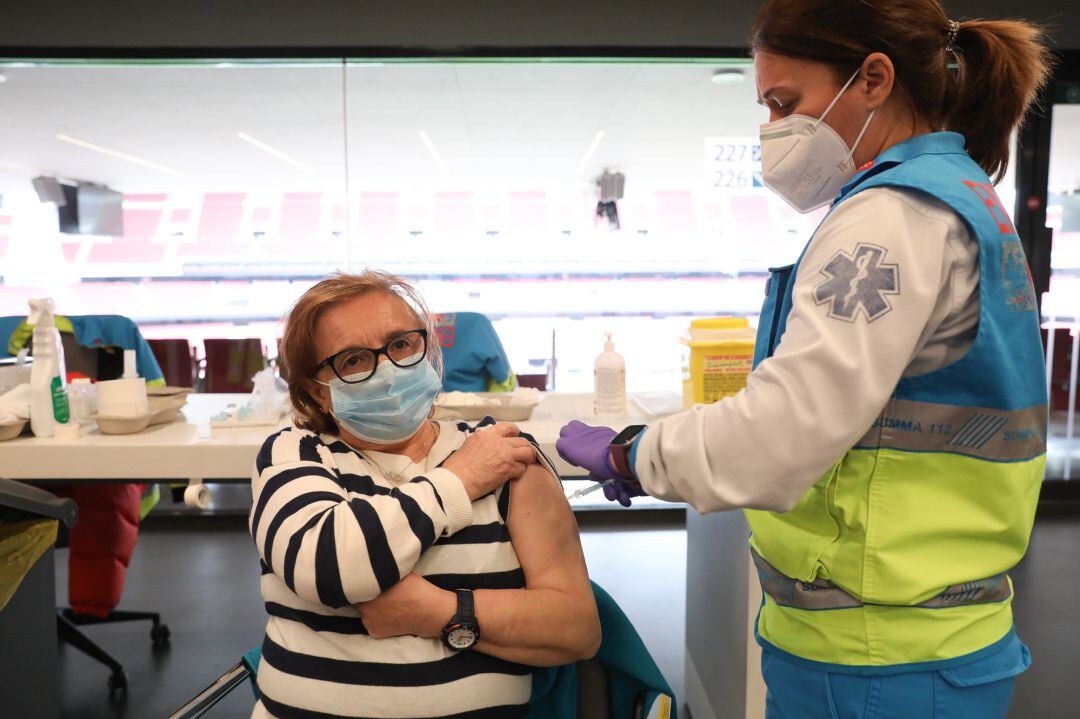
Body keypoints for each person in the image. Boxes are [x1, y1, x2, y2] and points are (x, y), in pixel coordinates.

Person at [556, 2, 1052, 717]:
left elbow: (779, 435)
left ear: (873, 79)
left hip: (878, 658)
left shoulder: (892, 217)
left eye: (784, 103)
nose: (771, 131)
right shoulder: (963, 195)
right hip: (921, 637)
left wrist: (634, 452)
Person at [252, 271, 599, 719]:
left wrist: (441, 611)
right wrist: (461, 480)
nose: (387, 369)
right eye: (354, 360)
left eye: (401, 345)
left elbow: (577, 630)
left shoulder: (503, 454)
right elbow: (330, 569)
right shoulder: (296, 453)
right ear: (317, 392)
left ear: (429, 351)